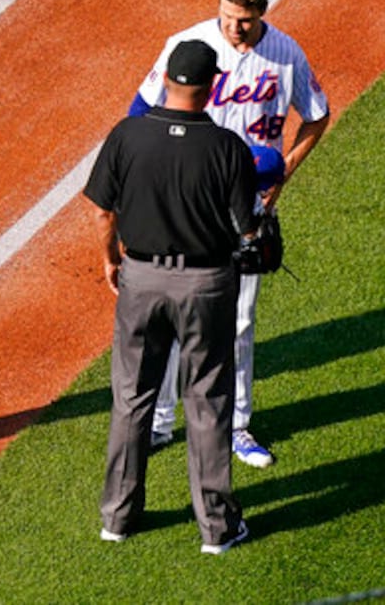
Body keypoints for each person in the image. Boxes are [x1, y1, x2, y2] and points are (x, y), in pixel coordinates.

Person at [129, 0, 330, 467]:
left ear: (262, 10)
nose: (234, 28)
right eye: (227, 16)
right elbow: (140, 112)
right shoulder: (189, 44)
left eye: (244, 19)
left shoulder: (286, 55)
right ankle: (158, 421)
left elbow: (318, 114)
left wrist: (283, 174)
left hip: (246, 210)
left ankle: (238, 425)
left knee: (237, 322)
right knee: (174, 314)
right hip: (187, 203)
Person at [86, 40, 259, 554]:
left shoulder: (128, 134)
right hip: (206, 284)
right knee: (207, 401)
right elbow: (247, 231)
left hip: (140, 279)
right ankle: (216, 528)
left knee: (132, 398)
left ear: (164, 77)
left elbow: (101, 210)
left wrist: (111, 258)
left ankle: (117, 517)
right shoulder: (228, 147)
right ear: (212, 88)